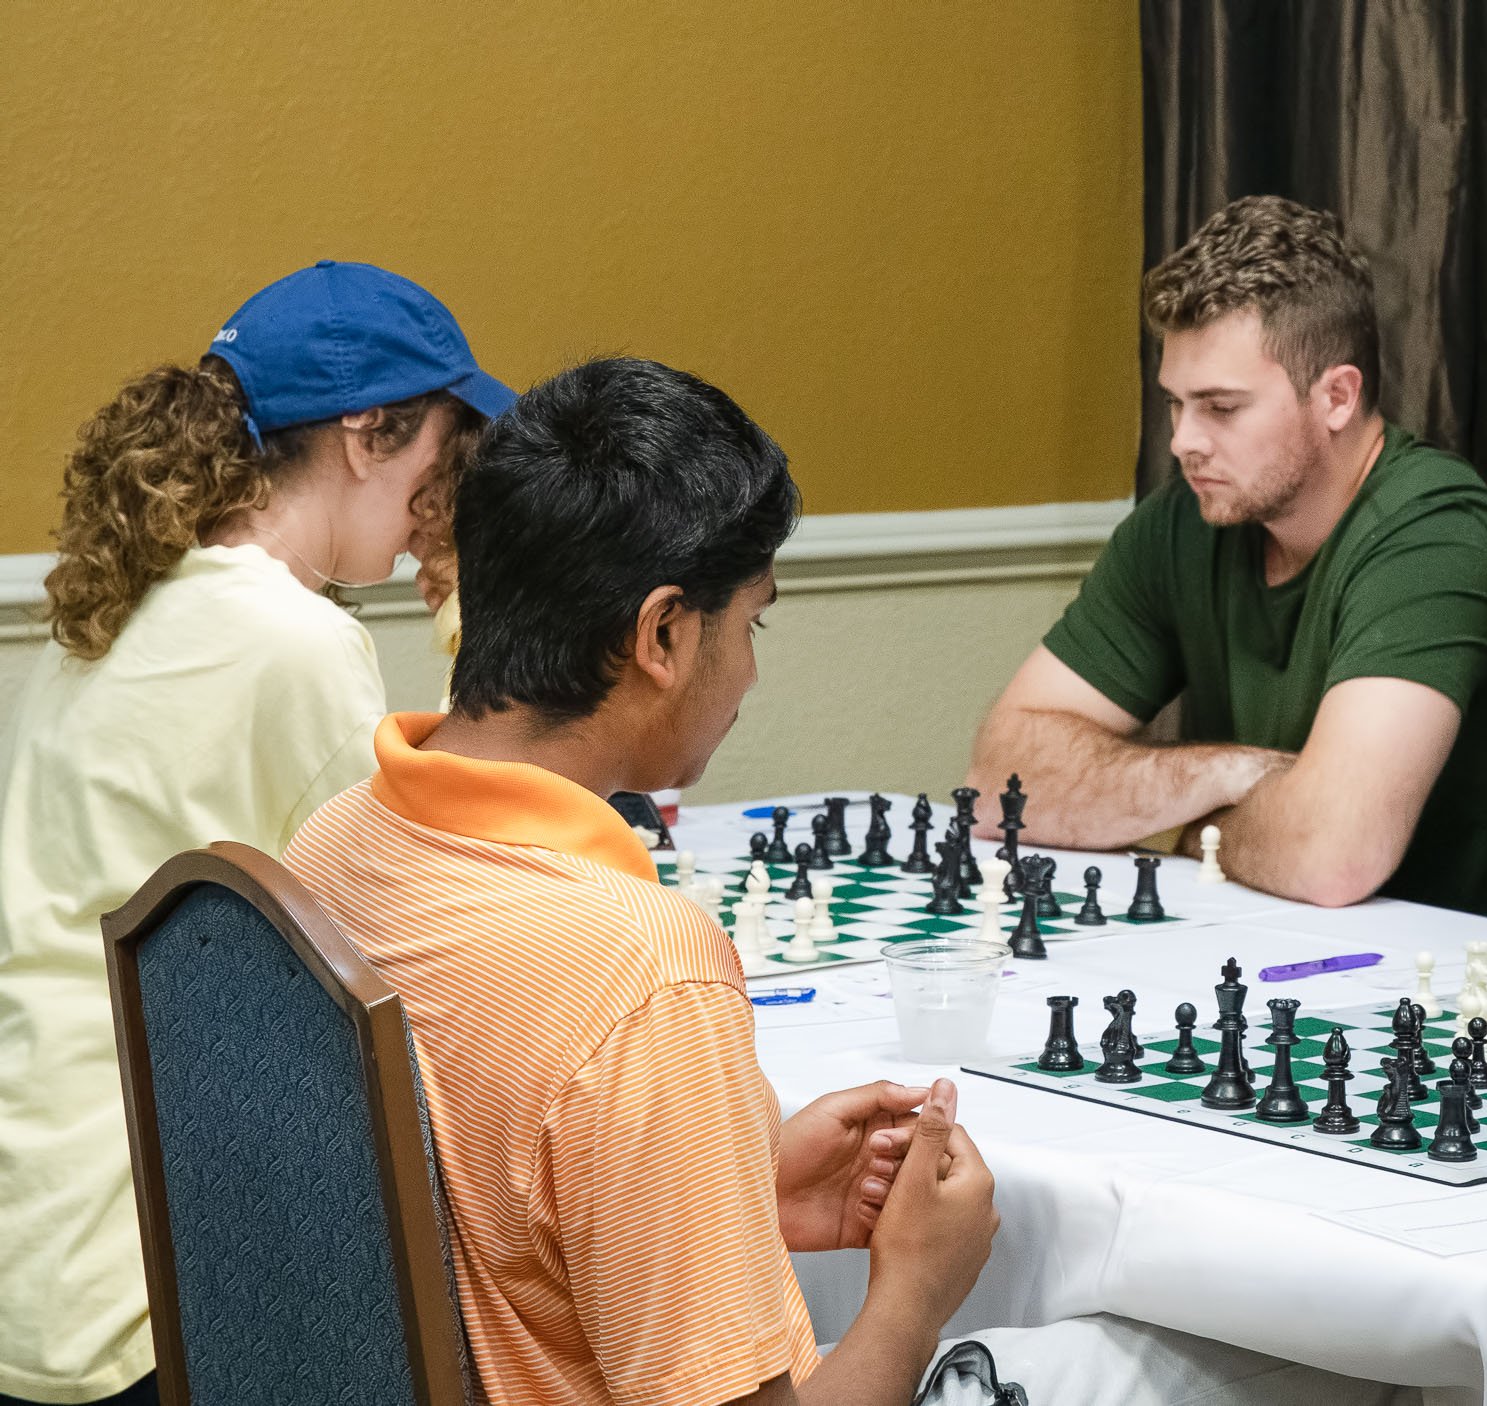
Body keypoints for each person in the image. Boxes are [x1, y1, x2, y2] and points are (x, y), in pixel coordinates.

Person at [286, 356, 1418, 1405]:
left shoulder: (327, 849)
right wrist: (915, 1293)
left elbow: (461, 1211)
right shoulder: (640, 974)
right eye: (752, 621)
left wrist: (741, 1182)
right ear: (664, 636)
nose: (752, 670)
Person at [0, 261, 508, 1406]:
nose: (446, 491)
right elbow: (414, 927)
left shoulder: (117, 605)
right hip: (142, 1281)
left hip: (33, 1246)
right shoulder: (295, 638)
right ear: (368, 434)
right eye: (441, 448)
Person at [968, 196, 1487, 933]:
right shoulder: (1188, 521)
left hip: (1479, 994)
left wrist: (1177, 827)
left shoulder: (1435, 538)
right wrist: (1226, 775)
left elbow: (1333, 856)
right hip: (1283, 949)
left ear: (1337, 396)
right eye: (1174, 404)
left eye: (1221, 408)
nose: (1183, 442)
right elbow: (999, 781)